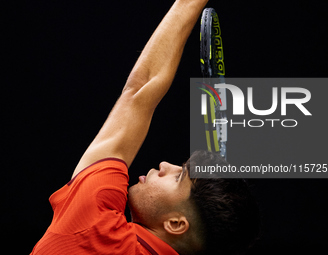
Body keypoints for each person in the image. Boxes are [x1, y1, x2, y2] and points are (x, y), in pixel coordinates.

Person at [30, 0, 260, 254]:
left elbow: (139, 92)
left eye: (179, 176)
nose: (164, 166)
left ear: (175, 223)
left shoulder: (96, 231)